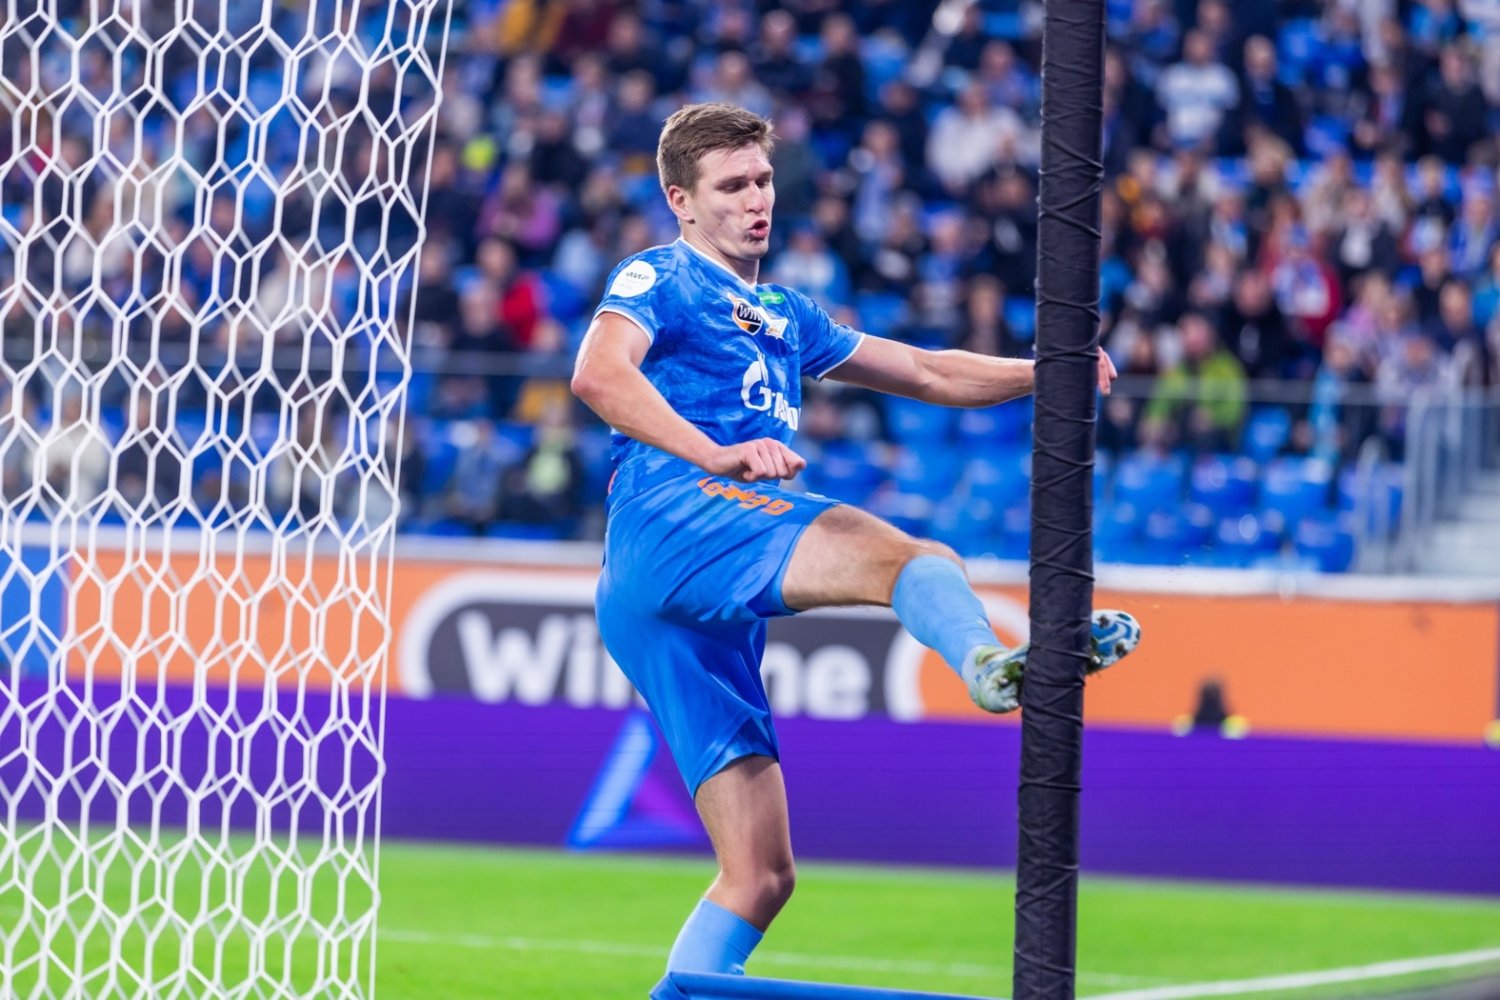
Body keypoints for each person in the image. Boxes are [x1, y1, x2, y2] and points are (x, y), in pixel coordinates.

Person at [569, 103, 1142, 999]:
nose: (756, 199)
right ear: (681, 200)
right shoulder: (661, 275)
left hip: (666, 599)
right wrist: (712, 452)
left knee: (760, 875)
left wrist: (1040, 373)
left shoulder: (786, 313)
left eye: (763, 180)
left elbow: (925, 371)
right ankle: (987, 664)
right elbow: (599, 373)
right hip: (674, 516)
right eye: (732, 185)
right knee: (910, 559)